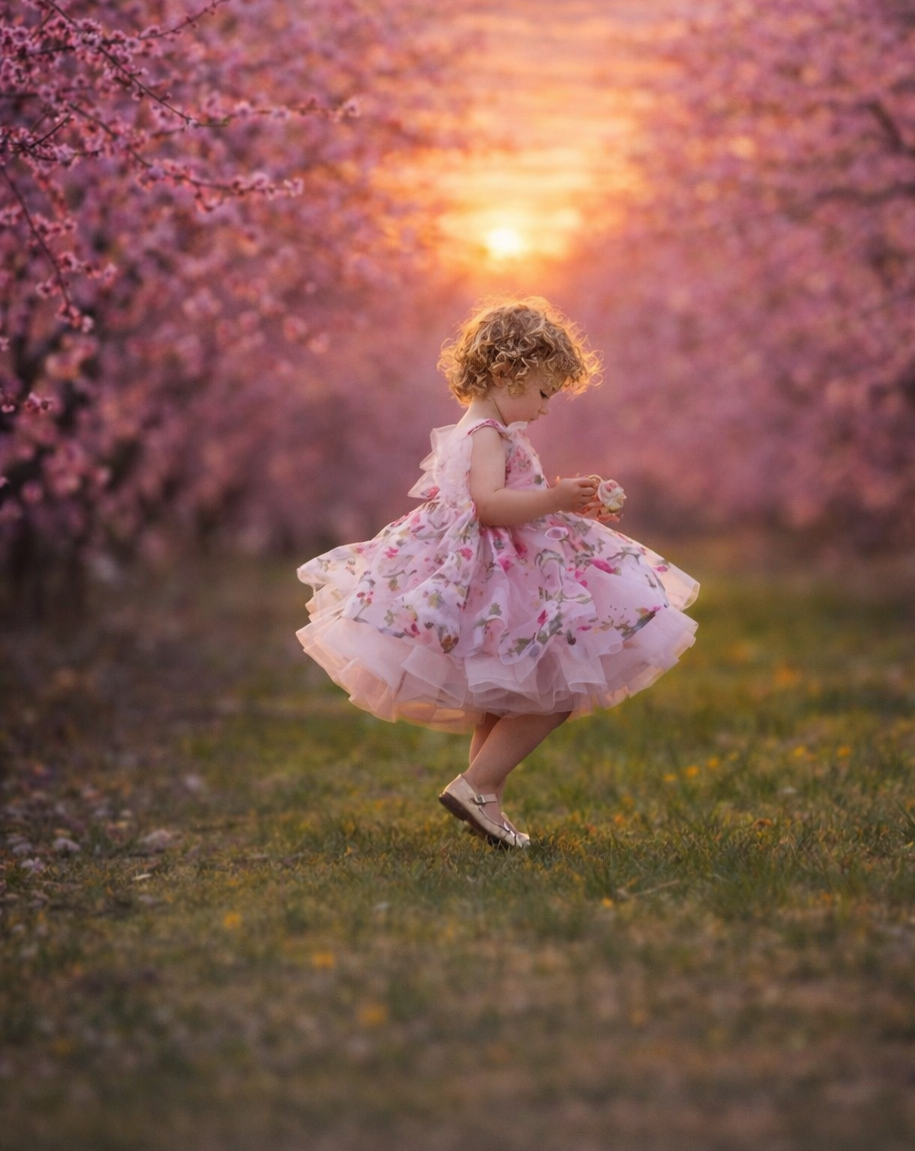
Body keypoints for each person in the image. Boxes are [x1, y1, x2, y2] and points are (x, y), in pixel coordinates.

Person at [295, 296, 698, 849]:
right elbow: (487, 504)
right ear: (508, 372)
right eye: (542, 393)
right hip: (496, 573)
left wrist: (565, 501)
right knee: (556, 692)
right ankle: (477, 784)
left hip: (497, 572)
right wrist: (553, 497)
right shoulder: (486, 433)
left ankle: (484, 800)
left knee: (501, 698)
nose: (545, 408)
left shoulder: (487, 428)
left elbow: (506, 499)